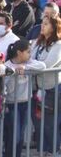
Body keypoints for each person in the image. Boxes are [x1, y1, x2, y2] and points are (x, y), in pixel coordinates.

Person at [3, 39, 46, 157]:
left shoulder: (28, 62)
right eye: (27, 52)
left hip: (26, 102)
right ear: (19, 52)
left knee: (21, 135)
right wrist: (13, 74)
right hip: (12, 104)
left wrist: (25, 68)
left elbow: (42, 66)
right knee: (14, 135)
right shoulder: (7, 66)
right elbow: (4, 87)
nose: (30, 54)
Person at [31, 15, 61, 153]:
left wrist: (32, 65)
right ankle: (42, 152)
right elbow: (29, 59)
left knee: (49, 124)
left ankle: (52, 152)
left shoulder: (58, 45)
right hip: (36, 88)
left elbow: (47, 64)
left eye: (46, 24)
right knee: (38, 123)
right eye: (42, 23)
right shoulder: (38, 43)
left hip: (51, 89)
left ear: (55, 27)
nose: (42, 26)